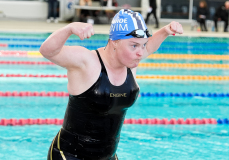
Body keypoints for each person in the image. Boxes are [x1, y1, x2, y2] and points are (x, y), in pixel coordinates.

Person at [40, 9, 183, 160]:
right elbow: (48, 51)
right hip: (68, 155)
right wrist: (69, 29)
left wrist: (166, 31)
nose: (141, 53)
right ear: (114, 41)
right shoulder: (87, 62)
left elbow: (150, 47)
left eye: (143, 45)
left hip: (107, 157)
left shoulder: (131, 61)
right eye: (134, 45)